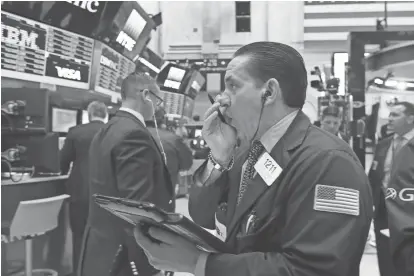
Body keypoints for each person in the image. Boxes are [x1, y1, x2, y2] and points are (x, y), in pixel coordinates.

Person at [133, 42, 373, 276]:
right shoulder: (247, 152)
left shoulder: (328, 163)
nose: (221, 100)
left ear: (268, 92)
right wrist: (218, 157)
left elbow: (313, 269)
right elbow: (203, 214)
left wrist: (200, 263)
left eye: (233, 87)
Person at [78, 73, 174, 276]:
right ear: (146, 95)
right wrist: (150, 261)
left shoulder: (107, 130)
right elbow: (136, 207)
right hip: (126, 255)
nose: (158, 107)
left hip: (101, 245)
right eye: (158, 100)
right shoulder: (134, 134)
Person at [60, 101, 108, 273]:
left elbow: (62, 163)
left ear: (89, 113)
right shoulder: (115, 134)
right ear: (105, 114)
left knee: (79, 237)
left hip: (80, 193)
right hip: (107, 197)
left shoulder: (75, 132)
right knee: (104, 239)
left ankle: (79, 272)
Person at [384, 102, 414, 275]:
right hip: (389, 216)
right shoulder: (385, 144)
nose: (389, 118)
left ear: (411, 118)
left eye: (395, 115)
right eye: (390, 114)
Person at [146, 108, 193, 205]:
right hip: (164, 200)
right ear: (162, 120)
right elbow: (187, 163)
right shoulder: (172, 139)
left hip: (132, 202)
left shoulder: (127, 135)